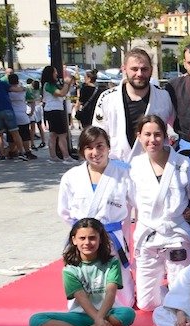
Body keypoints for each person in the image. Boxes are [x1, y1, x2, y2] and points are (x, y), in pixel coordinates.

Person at [129, 115, 190, 310]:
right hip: (148, 236)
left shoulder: (182, 163)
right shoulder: (133, 166)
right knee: (146, 304)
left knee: (184, 299)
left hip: (175, 235)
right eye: (147, 135)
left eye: (157, 134)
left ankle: (176, 298)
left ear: (166, 137)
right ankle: (169, 298)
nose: (152, 140)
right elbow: (125, 200)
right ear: (139, 137)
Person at [57, 126, 136, 307]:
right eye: (89, 147)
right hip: (84, 239)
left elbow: (139, 204)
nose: (95, 152)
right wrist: (81, 234)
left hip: (111, 237)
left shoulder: (124, 173)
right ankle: (84, 308)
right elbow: (64, 211)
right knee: (83, 276)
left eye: (100, 146)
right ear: (82, 150)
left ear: (108, 147)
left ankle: (120, 307)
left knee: (119, 290)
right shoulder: (71, 177)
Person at [28, 218, 136, 326]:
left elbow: (110, 293)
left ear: (100, 239)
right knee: (36, 320)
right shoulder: (70, 270)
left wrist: (100, 318)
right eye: (82, 238)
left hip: (108, 313)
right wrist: (99, 321)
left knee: (128, 313)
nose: (87, 242)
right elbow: (82, 299)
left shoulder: (112, 263)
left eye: (92, 238)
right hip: (80, 315)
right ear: (74, 240)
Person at [93, 48, 175, 162]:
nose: (139, 74)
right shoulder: (107, 98)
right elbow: (98, 135)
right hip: (116, 164)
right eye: (134, 69)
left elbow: (174, 131)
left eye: (144, 69)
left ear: (151, 70)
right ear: (124, 69)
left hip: (153, 165)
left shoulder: (164, 97)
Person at [0, 73, 28, 161]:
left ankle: (2, 154)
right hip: (7, 110)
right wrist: (24, 88)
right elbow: (14, 89)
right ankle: (21, 153)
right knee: (15, 132)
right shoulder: (1, 84)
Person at [40, 65, 77, 164]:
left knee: (53, 134)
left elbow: (64, 92)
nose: (56, 74)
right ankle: (66, 156)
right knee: (62, 135)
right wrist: (66, 83)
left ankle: (53, 156)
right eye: (55, 72)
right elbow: (61, 93)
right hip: (54, 110)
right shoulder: (49, 85)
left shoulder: (50, 84)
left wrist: (68, 84)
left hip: (53, 110)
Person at [6, 73, 36, 160]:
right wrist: (31, 112)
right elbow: (32, 101)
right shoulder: (24, 90)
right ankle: (27, 152)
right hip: (22, 115)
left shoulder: (7, 91)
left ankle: (12, 152)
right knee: (25, 135)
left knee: (11, 136)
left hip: (11, 116)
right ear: (18, 80)